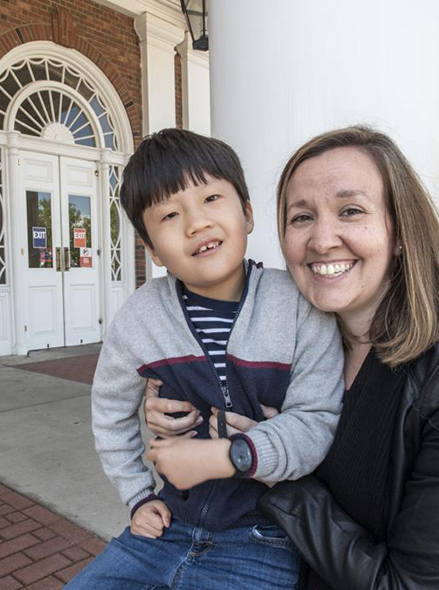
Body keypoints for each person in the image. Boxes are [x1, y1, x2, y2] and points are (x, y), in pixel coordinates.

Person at [145, 125, 439, 589]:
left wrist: (273, 473)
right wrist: (173, 406)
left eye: (351, 211)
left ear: (401, 231)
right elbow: (229, 413)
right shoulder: (296, 346)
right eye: (301, 217)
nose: (323, 240)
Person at [66, 128, 344, 589]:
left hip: (265, 537)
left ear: (248, 213)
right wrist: (137, 495)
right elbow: (109, 413)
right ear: (152, 249)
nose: (196, 223)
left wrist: (234, 454)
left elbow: (316, 420)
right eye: (170, 214)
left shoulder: (297, 305)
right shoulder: (141, 317)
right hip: (166, 528)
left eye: (212, 198)